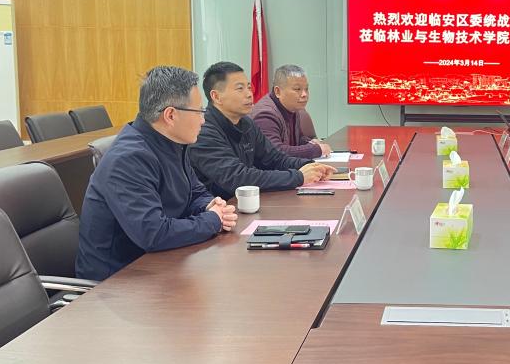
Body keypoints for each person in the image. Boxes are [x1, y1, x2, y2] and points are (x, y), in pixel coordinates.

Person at [76, 66, 238, 281]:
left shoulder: (172, 142)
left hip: (157, 264)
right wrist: (212, 220)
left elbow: (194, 192)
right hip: (116, 282)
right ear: (171, 115)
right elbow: (153, 233)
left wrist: (209, 206)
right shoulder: (129, 159)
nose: (203, 120)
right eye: (199, 111)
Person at [189, 62, 336, 198]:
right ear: (216, 96)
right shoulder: (204, 131)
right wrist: (299, 177)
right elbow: (238, 178)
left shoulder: (246, 123)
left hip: (244, 203)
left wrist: (310, 166)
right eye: (240, 89)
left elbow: (275, 159)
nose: (249, 94)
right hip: (218, 207)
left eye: (249, 87)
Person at [250, 64, 331, 159]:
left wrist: (310, 142)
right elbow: (275, 152)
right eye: (297, 89)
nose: (304, 94)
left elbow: (297, 139)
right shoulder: (265, 115)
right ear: (278, 91)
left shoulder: (292, 107)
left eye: (306, 89)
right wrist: (315, 150)